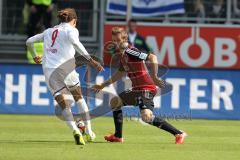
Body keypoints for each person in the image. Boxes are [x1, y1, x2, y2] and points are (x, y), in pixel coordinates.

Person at [92, 27, 187, 144]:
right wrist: (103, 85)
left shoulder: (130, 51)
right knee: (115, 102)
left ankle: (178, 133)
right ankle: (118, 136)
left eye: (118, 40)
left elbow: (152, 57)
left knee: (146, 117)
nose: (116, 43)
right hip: (137, 89)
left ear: (125, 38)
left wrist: (154, 77)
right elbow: (120, 73)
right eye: (114, 41)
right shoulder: (122, 55)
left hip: (146, 88)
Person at [26, 8, 104, 145]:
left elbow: (29, 41)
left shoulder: (48, 31)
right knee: (79, 99)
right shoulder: (71, 30)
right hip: (67, 68)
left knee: (64, 106)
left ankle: (75, 130)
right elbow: (75, 43)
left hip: (50, 70)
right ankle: (90, 133)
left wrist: (34, 56)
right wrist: (91, 60)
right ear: (74, 20)